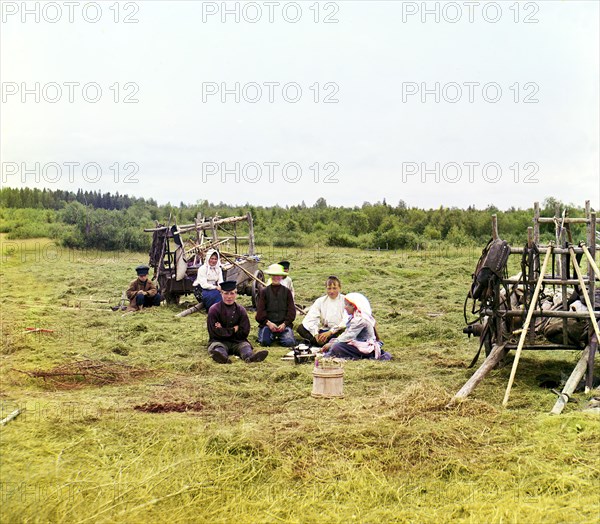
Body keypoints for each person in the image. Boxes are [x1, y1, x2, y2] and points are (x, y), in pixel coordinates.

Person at [207, 281, 269, 364]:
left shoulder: (241, 310)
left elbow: (244, 332)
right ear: (221, 293)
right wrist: (233, 330)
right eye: (226, 293)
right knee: (218, 348)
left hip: (238, 341)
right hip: (219, 341)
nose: (229, 297)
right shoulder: (214, 310)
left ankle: (250, 358)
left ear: (236, 294)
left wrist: (223, 329)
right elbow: (214, 333)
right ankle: (223, 359)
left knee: (245, 347)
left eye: (232, 293)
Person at [321, 293, 391, 360]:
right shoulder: (354, 317)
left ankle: (328, 355)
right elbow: (346, 332)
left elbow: (349, 336)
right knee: (333, 341)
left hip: (365, 348)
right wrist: (333, 342)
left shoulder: (360, 320)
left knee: (337, 347)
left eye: (346, 305)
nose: (345, 307)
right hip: (358, 343)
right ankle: (329, 353)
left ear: (353, 306)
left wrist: (332, 344)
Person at [297, 276, 347, 347]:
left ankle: (322, 343)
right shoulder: (320, 301)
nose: (331, 291)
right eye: (329, 288)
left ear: (339, 288)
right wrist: (315, 334)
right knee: (301, 328)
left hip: (337, 331)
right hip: (324, 330)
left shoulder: (345, 300)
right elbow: (311, 317)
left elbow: (346, 321)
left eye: (334, 288)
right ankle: (318, 341)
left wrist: (330, 332)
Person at [256, 263, 297, 347]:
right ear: (271, 276)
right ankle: (270, 335)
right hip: (268, 325)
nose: (276, 278)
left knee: (289, 342)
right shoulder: (264, 292)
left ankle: (279, 336)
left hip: (283, 325)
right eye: (274, 275)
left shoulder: (287, 292)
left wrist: (285, 324)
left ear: (282, 277)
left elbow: (291, 311)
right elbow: (260, 312)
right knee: (265, 342)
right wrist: (268, 323)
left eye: (278, 275)